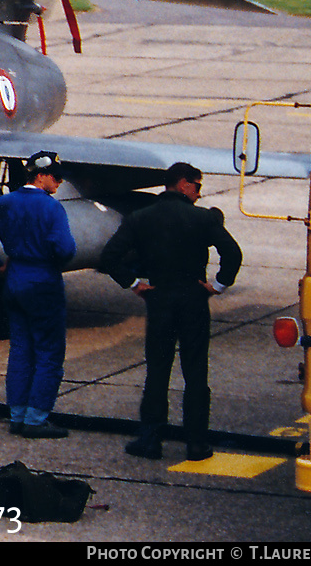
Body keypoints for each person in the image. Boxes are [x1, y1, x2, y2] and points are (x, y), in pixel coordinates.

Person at [99, 162, 242, 462]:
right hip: (193, 298)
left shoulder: (141, 218)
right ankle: (196, 443)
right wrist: (217, 285)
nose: (199, 194)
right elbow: (232, 253)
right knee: (195, 371)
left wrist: (134, 284)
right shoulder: (202, 218)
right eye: (197, 186)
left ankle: (150, 440)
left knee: (157, 371)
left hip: (159, 298)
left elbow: (110, 256)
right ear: (182, 184)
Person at [0, 151, 77, 439]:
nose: (59, 182)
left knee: (20, 351)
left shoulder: (5, 203)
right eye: (56, 176)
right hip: (43, 282)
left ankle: (16, 415)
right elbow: (66, 250)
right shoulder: (52, 209)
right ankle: (36, 418)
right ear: (41, 176)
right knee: (49, 353)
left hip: (14, 280)